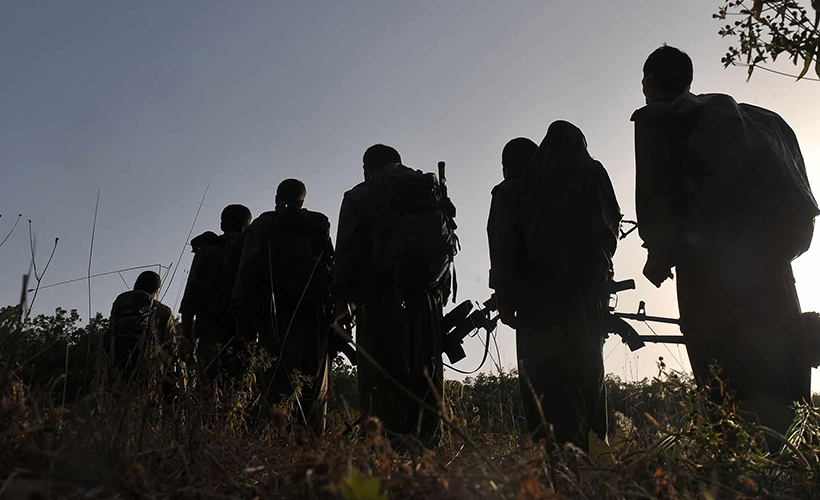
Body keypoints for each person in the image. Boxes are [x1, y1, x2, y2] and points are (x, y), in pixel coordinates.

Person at [632, 44, 819, 434]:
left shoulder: (657, 119)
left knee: (724, 387)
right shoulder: (758, 121)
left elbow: (656, 195)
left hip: (709, 278)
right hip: (773, 272)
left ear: (648, 83)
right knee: (781, 375)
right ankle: (788, 477)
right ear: (689, 79)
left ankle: (737, 481)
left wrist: (658, 255)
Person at [501, 122, 620, 450]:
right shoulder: (593, 173)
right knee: (589, 374)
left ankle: (555, 456)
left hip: (539, 301)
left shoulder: (530, 185)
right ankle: (596, 447)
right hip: (588, 295)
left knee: (546, 380)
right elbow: (611, 227)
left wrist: (507, 296)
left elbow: (511, 247)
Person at [333, 144, 457, 444]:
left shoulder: (358, 197)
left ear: (366, 168)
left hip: (377, 304)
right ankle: (427, 463)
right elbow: (447, 250)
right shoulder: (428, 189)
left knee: (381, 387)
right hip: (426, 302)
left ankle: (387, 465)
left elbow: (346, 257)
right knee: (426, 382)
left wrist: (342, 304)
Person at [234, 179, 334, 432]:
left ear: (276, 197)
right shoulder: (319, 222)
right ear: (303, 200)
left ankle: (272, 440)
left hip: (273, 315)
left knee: (273, 382)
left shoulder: (262, 224)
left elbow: (246, 275)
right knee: (314, 386)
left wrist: (246, 323)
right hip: (314, 316)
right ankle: (311, 444)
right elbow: (330, 266)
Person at [179, 204, 252, 385]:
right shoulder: (251, 249)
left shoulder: (207, 249)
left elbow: (190, 296)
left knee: (207, 389)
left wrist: (187, 337)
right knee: (240, 392)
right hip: (243, 331)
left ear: (221, 225)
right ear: (247, 226)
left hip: (209, 330)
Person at [488, 137, 538, 328]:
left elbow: (502, 245)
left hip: (532, 299)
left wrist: (504, 301)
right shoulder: (559, 190)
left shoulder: (507, 191)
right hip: (577, 296)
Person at [105, 271, 177, 382]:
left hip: (116, 367)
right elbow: (171, 344)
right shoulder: (163, 310)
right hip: (148, 370)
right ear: (156, 290)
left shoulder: (120, 304)